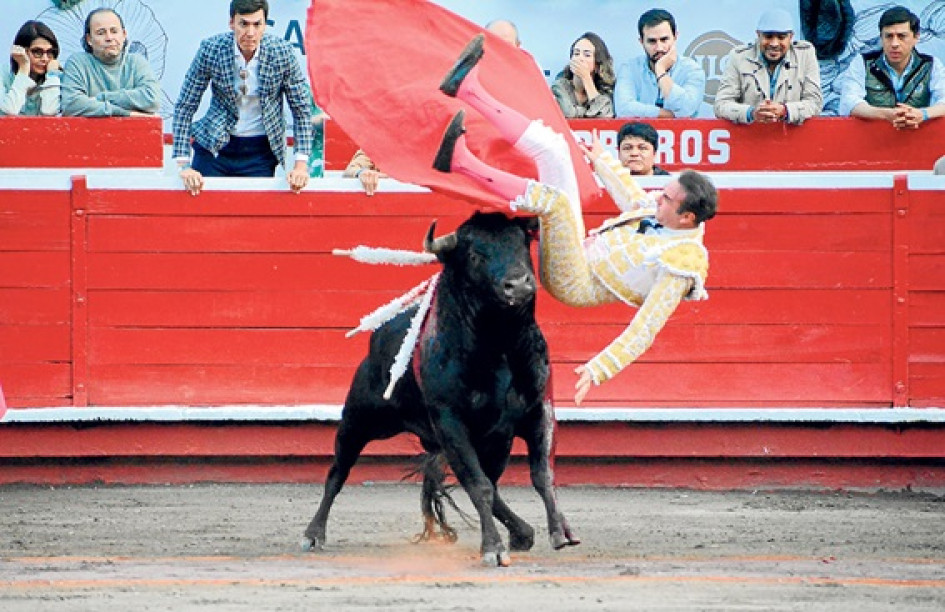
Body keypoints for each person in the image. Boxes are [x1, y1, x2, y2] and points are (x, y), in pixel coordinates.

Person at [433, 35, 718, 404]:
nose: (656, 199)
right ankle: (469, 90)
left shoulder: (684, 263)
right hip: (583, 250)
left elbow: (645, 327)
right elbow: (632, 197)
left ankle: (461, 162)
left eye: (666, 199)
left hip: (577, 281)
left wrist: (599, 368)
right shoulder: (667, 211)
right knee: (555, 149)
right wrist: (600, 159)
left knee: (557, 204)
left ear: (687, 217)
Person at [173, 0, 313, 196]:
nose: (250, 33)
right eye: (244, 24)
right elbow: (186, 105)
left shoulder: (283, 53)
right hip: (214, 147)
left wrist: (300, 165)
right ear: (232, 23)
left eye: (257, 24)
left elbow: (301, 110)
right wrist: (183, 165)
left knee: (253, 221)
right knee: (204, 218)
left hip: (259, 152)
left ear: (265, 24)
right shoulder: (211, 49)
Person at [838, 5, 945, 128]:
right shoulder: (863, 63)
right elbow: (849, 103)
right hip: (873, 139)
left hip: (920, 140)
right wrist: (885, 114)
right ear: (881, 37)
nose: (894, 44)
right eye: (889, 36)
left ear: (916, 37)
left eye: (901, 36)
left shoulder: (930, 65)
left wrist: (922, 114)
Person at [714, 8, 823, 125]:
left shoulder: (805, 54)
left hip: (793, 136)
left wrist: (785, 110)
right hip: (749, 136)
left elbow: (815, 102)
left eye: (781, 37)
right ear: (758, 35)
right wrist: (751, 113)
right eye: (768, 36)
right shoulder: (739, 57)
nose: (774, 44)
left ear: (791, 37)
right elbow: (721, 105)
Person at [61, 8, 160, 117]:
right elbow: (71, 105)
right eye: (101, 33)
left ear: (124, 35)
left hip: (132, 133)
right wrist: (125, 113)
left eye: (114, 31)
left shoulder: (136, 62)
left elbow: (152, 99)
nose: (109, 38)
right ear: (89, 39)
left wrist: (102, 98)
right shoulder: (77, 63)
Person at [614, 9, 706, 118]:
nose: (659, 48)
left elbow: (686, 109)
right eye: (652, 41)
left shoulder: (692, 70)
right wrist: (667, 115)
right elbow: (623, 109)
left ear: (675, 37)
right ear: (641, 42)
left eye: (664, 39)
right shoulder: (629, 68)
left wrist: (661, 71)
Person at [1, 21, 61, 116]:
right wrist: (23, 69)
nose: (45, 59)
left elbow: (50, 112)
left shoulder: (57, 77)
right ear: (22, 51)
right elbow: (9, 112)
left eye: (50, 52)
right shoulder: (3, 74)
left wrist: (52, 75)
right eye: (37, 52)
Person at [551, 32, 615, 118]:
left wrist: (586, 79)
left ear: (597, 64)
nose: (580, 58)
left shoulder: (605, 90)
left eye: (587, 55)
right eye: (576, 54)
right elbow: (569, 114)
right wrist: (589, 112)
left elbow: (604, 116)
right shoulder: (560, 86)